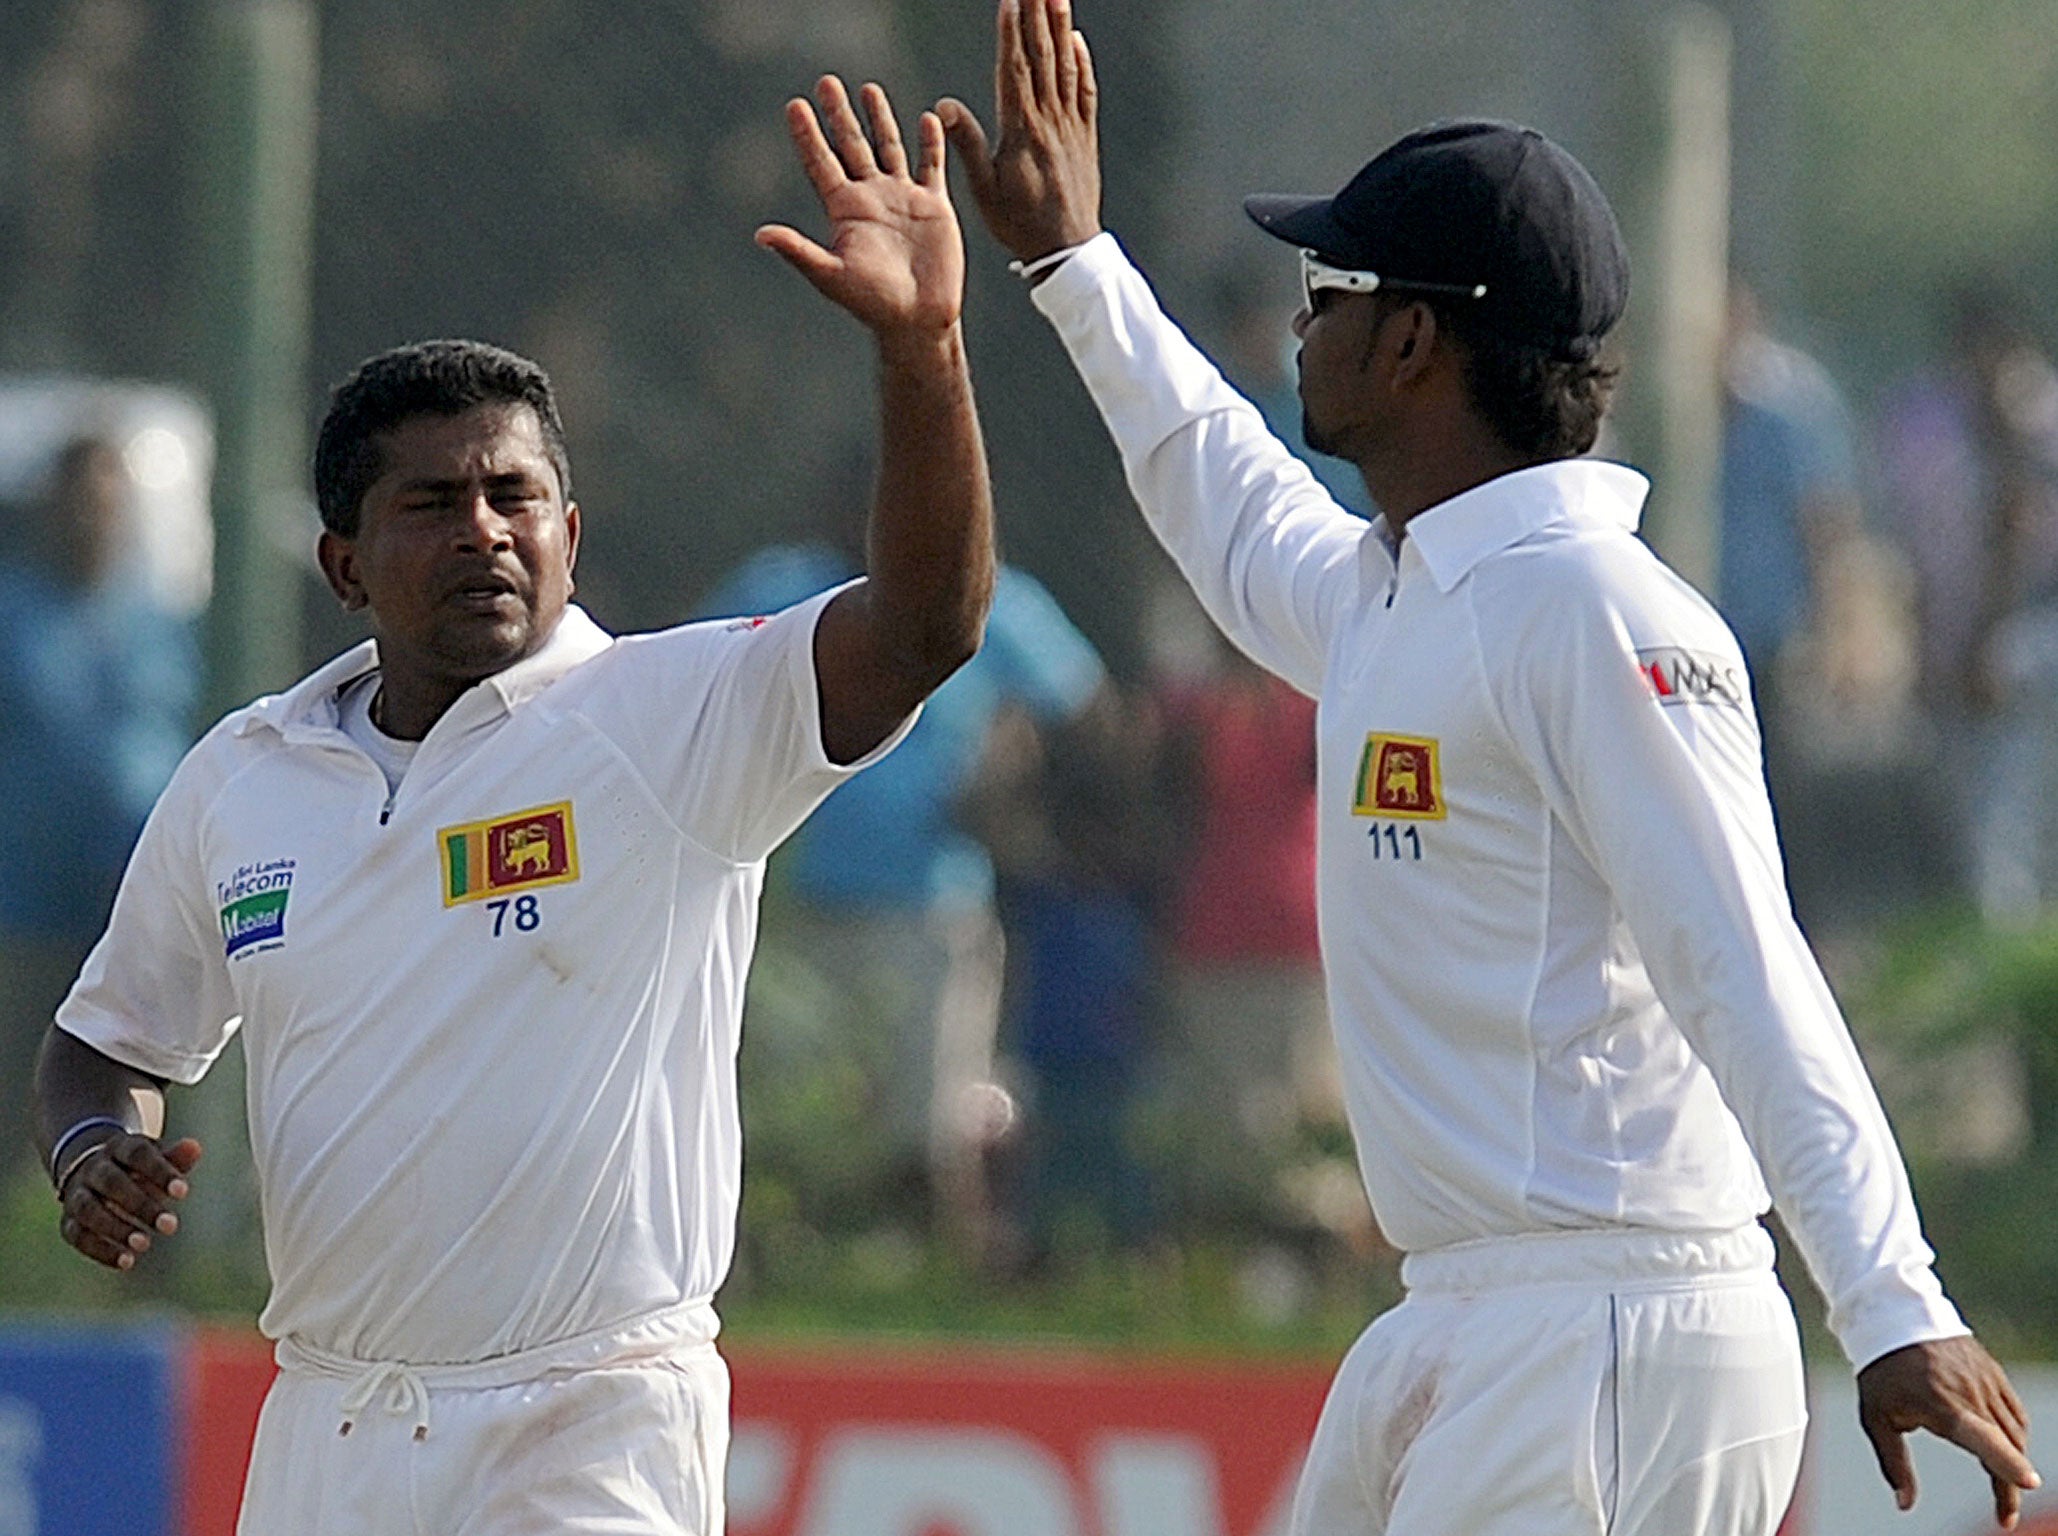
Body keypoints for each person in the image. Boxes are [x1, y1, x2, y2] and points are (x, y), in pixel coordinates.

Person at [936, 3, 2039, 1531]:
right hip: (1475, 1313)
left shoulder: (1594, 613)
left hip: (1609, 1319)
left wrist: (1891, 1301)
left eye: (1325, 292)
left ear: (1410, 340)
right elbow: (1228, 499)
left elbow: (1742, 965)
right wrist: (1072, 267)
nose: (1298, 329)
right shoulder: (1408, 592)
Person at [31, 76, 991, 1535]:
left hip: (588, 1417)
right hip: (331, 1419)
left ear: (568, 530)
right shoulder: (246, 772)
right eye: (431, 504)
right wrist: (93, 1151)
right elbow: (104, 1045)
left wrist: (921, 349)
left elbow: (924, 623)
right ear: (343, 564)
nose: (483, 528)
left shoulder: (669, 718)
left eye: (515, 496)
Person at [699, 530, 1103, 1257]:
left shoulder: (984, 595)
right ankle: (799, 1249)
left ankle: (935, 1258)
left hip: (934, 901)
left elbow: (1086, 712)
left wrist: (1018, 786)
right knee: (797, 1105)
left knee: (931, 1114)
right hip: (796, 895)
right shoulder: (788, 583)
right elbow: (689, 674)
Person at [0, 433, 197, 1181]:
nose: (95, 515)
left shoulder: (160, 618)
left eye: (111, 497)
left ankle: (150, 1269)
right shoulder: (12, 611)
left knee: (144, 1086)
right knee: (22, 1078)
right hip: (22, 907)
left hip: (135, 901)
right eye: (80, 497)